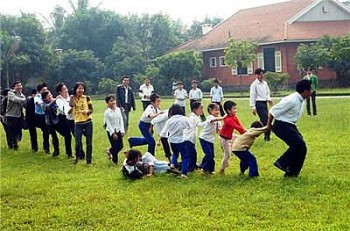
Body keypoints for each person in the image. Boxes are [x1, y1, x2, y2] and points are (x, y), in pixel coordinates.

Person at [267, 79, 312, 177]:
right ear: (305, 91)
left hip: (290, 125)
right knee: (298, 144)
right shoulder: (292, 100)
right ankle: (282, 162)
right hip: (281, 125)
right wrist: (268, 126)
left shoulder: (301, 100)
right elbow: (273, 111)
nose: (311, 92)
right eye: (310, 90)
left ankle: (292, 173)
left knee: (302, 148)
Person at [160, 104, 190, 178]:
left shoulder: (170, 120)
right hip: (181, 140)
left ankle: (173, 163)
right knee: (185, 156)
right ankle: (184, 173)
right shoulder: (184, 118)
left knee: (175, 153)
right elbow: (188, 127)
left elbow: (163, 132)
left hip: (172, 140)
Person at [219, 101, 246, 175]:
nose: (235, 110)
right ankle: (222, 169)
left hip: (230, 136)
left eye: (235, 108)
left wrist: (245, 133)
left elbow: (239, 125)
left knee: (241, 139)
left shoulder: (234, 117)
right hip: (224, 139)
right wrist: (246, 133)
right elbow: (236, 127)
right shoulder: (228, 120)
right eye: (234, 108)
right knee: (227, 155)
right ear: (228, 110)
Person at [70, 82, 93, 166]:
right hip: (78, 122)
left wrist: (87, 112)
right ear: (75, 89)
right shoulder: (73, 98)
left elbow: (91, 110)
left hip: (88, 122)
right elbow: (71, 105)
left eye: (82, 88)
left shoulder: (87, 98)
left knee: (89, 142)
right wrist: (72, 98)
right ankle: (77, 156)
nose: (81, 90)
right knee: (78, 142)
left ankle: (89, 161)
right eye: (79, 88)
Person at [249, 68, 273, 141]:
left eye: (262, 74)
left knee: (264, 120)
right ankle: (267, 136)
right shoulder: (254, 84)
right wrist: (253, 107)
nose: (261, 76)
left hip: (264, 103)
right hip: (258, 104)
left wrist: (269, 99)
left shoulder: (265, 83)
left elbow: (267, 92)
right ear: (256, 75)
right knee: (266, 120)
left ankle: (254, 131)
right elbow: (252, 95)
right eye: (259, 74)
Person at [199, 103, 222, 174]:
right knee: (209, 154)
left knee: (211, 155)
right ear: (210, 111)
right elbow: (212, 120)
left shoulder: (219, 121)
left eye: (218, 110)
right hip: (204, 138)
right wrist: (223, 118)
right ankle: (204, 169)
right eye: (215, 110)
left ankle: (211, 169)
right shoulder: (210, 117)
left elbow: (219, 131)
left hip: (210, 140)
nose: (217, 111)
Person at [4, 80, 26, 150]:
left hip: (19, 115)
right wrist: (23, 99)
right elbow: (14, 99)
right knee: (11, 131)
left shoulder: (22, 95)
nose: (19, 87)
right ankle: (13, 145)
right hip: (11, 115)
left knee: (18, 130)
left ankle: (15, 142)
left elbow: (24, 104)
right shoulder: (10, 93)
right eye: (18, 85)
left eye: (20, 85)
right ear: (14, 87)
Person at [104, 95, 124, 165]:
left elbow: (121, 120)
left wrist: (122, 130)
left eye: (114, 100)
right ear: (107, 103)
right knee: (115, 146)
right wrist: (113, 133)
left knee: (120, 146)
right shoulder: (107, 112)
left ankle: (110, 150)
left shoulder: (118, 109)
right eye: (111, 101)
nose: (113, 102)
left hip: (118, 129)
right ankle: (115, 161)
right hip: (111, 131)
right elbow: (108, 124)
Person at [55, 82, 74, 158]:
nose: (66, 90)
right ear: (60, 91)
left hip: (71, 117)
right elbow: (63, 109)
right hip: (62, 118)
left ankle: (79, 153)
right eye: (64, 89)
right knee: (68, 136)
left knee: (75, 135)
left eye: (66, 88)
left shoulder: (70, 97)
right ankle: (69, 153)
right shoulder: (59, 100)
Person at [41, 91, 60, 156]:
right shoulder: (43, 103)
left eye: (50, 95)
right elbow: (47, 107)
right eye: (48, 96)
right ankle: (56, 151)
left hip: (57, 121)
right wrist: (55, 100)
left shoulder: (54, 102)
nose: (50, 96)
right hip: (50, 123)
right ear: (44, 98)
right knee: (54, 136)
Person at [34, 83, 50, 153]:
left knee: (46, 132)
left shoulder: (48, 96)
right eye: (43, 90)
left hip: (46, 116)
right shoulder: (37, 97)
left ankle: (46, 148)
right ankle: (46, 148)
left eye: (46, 89)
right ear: (39, 91)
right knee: (46, 131)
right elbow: (38, 102)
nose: (45, 91)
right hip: (39, 117)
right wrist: (41, 104)